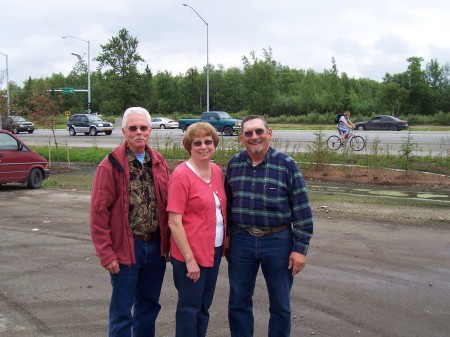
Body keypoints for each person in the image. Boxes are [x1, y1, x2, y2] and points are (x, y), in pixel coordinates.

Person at [224, 115, 313, 337]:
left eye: (259, 132)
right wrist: (226, 236)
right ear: (241, 138)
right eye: (249, 133)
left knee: (280, 304)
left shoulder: (286, 165)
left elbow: (302, 210)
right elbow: (226, 205)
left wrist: (300, 249)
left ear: (269, 133)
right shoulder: (234, 165)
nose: (254, 137)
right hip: (241, 241)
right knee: (238, 300)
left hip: (278, 242)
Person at [89, 107, 170, 337]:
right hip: (126, 249)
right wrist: (106, 253)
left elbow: (167, 207)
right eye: (133, 128)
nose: (138, 133)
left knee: (148, 307)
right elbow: (98, 214)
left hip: (155, 249)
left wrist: (169, 245)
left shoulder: (159, 162)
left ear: (150, 131)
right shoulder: (110, 165)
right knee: (122, 311)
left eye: (143, 128)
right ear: (124, 131)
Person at [167, 122, 227, 337]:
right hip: (190, 255)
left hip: (214, 250)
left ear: (214, 144)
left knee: (203, 306)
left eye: (208, 142)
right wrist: (190, 260)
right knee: (189, 308)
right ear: (189, 147)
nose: (203, 146)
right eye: (197, 143)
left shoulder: (217, 171)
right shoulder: (181, 176)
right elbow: (174, 221)